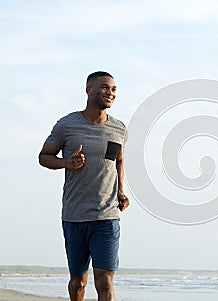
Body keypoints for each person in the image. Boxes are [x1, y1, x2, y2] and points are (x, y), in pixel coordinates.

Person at [38, 71, 130, 301]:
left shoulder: (119, 129)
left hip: (106, 217)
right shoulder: (67, 125)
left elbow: (117, 160)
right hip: (75, 215)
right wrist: (66, 162)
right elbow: (44, 156)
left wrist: (120, 191)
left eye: (114, 89)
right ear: (89, 90)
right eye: (105, 87)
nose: (110, 92)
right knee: (78, 282)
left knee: (104, 281)